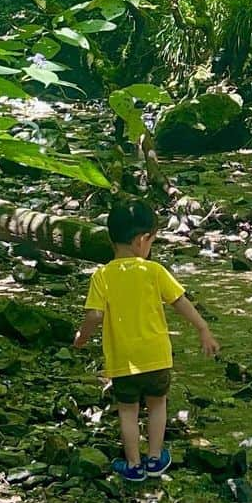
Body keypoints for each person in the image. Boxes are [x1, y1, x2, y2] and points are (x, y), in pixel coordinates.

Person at [73, 199, 220, 482]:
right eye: (152, 240)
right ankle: (155, 459)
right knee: (157, 404)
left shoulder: (102, 276)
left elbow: (93, 315)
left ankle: (133, 465)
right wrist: (203, 329)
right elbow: (180, 302)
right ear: (142, 240)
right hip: (156, 357)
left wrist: (82, 337)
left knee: (127, 411)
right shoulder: (154, 271)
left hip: (122, 360)